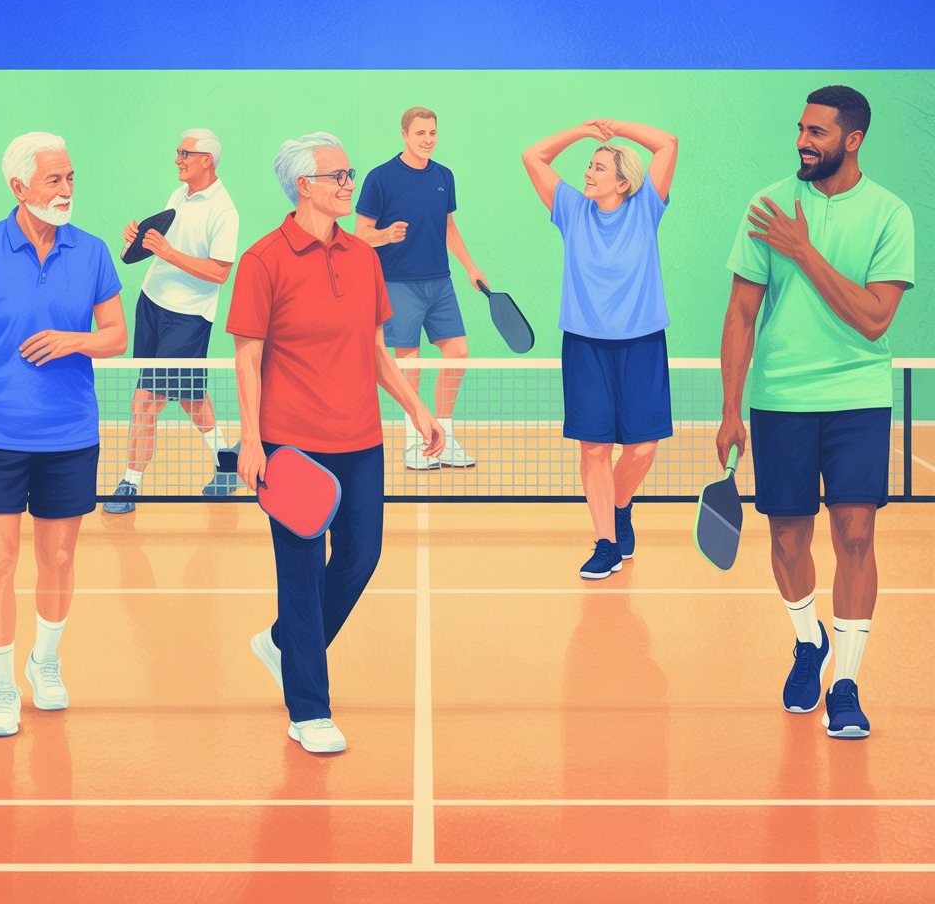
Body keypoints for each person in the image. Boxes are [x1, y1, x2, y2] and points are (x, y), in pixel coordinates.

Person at [228, 132, 444, 754]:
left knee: (360, 555)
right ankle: (309, 709)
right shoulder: (264, 260)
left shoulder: (361, 255)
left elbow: (376, 349)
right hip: (291, 443)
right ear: (305, 186)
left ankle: (282, 643)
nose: (350, 184)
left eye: (349, 174)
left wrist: (416, 409)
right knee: (298, 573)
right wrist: (250, 439)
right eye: (338, 175)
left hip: (360, 437)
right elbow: (248, 356)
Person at [717, 86, 913, 740]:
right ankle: (810, 643)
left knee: (856, 536)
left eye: (818, 132)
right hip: (780, 401)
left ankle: (848, 684)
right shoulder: (767, 206)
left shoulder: (890, 214)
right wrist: (729, 409)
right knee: (786, 541)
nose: (804, 140)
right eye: (801, 128)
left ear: (852, 140)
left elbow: (873, 320)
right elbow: (741, 312)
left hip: (858, 395)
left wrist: (803, 252)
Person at [0, 132, 127, 737]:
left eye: (71, 177)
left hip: (69, 434)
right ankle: (1, 686)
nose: (66, 190)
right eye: (54, 180)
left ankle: (45, 662)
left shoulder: (93, 253)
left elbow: (116, 336)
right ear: (18, 187)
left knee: (60, 557)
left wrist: (73, 340)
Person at [521, 119, 679, 579]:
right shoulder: (570, 208)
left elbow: (667, 142)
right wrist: (582, 131)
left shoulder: (646, 205)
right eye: (588, 167)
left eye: (598, 168)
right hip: (586, 345)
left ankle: (620, 505)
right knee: (594, 450)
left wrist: (619, 130)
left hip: (643, 344)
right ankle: (606, 542)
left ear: (623, 182)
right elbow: (533, 156)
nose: (588, 173)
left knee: (643, 449)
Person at [104, 128, 240, 513]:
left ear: (206, 160)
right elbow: (157, 247)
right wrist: (138, 240)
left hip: (188, 318)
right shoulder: (178, 195)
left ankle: (130, 483)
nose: (177, 159)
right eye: (177, 152)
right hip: (152, 304)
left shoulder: (225, 211)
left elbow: (219, 272)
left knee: (144, 402)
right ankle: (226, 460)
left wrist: (168, 251)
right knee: (191, 399)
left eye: (185, 153)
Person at [355, 107, 488, 469]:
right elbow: (360, 235)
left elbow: (448, 226)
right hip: (398, 283)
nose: (428, 140)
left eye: (432, 133)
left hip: (440, 282)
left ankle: (443, 434)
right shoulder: (380, 178)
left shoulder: (444, 176)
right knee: (409, 365)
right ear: (404, 134)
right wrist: (385, 235)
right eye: (420, 134)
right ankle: (416, 441)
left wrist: (470, 267)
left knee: (458, 353)